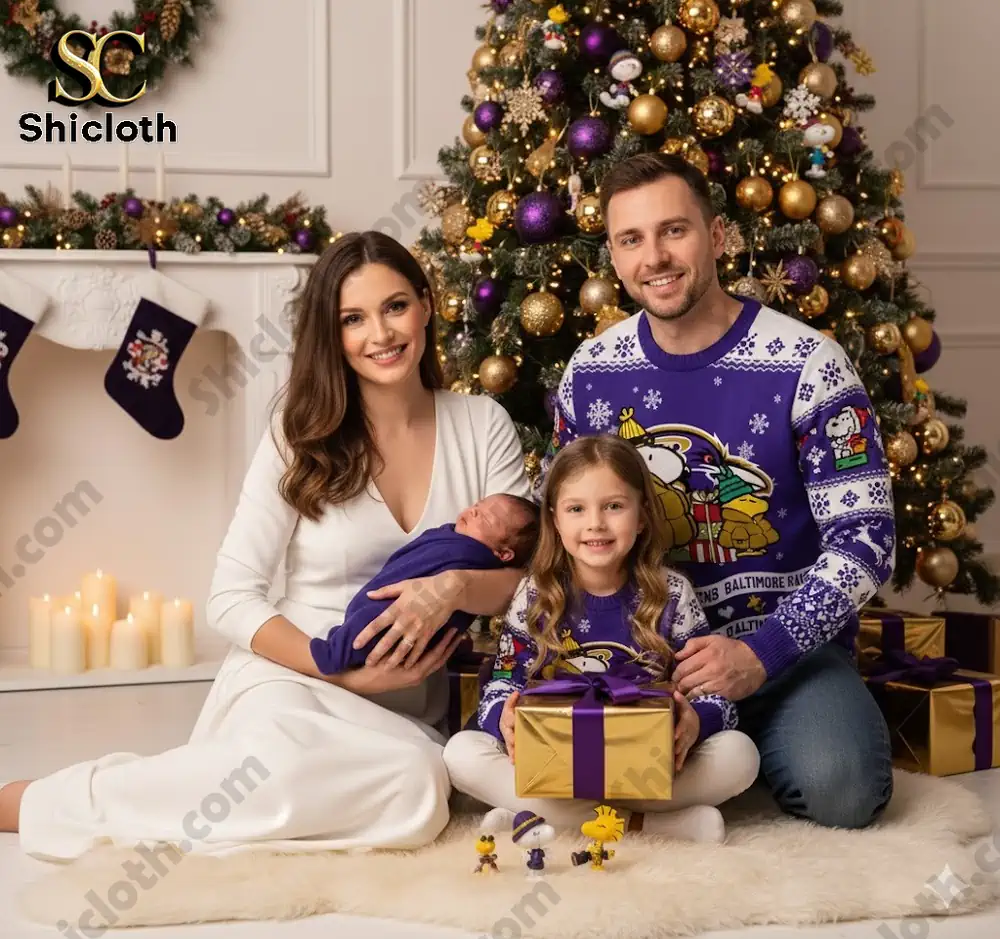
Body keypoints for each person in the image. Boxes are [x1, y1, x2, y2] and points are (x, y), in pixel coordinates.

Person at [0, 231, 532, 859]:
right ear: (330, 336)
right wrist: (341, 672)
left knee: (418, 791)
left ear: (425, 304)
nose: (380, 335)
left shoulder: (480, 423)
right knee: (278, 771)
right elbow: (230, 597)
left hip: (408, 707)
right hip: (290, 678)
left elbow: (529, 579)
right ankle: (49, 800)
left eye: (394, 307)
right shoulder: (300, 432)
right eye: (352, 319)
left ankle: (209, 817)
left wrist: (455, 587)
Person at [543, 152, 896, 830]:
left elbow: (865, 539)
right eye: (631, 239)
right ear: (614, 257)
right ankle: (713, 760)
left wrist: (760, 654)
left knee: (842, 789)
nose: (655, 257)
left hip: (786, 651)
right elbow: (561, 528)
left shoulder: (807, 364)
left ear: (718, 235)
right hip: (640, 653)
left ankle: (764, 741)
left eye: (674, 230)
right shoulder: (590, 373)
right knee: (579, 784)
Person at [444, 435, 761, 844]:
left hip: (646, 762)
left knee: (740, 755)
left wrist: (696, 721)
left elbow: (713, 695)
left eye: (614, 506)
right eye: (577, 509)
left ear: (642, 516)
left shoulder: (673, 594)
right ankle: (654, 826)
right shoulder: (535, 595)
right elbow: (503, 681)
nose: (595, 523)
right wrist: (503, 721)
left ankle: (540, 816)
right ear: (555, 521)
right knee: (460, 752)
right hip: (557, 760)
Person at [310, 493, 540, 674]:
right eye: (477, 506)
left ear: (504, 554)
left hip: (394, 615)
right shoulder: (452, 537)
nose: (474, 511)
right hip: (393, 605)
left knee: (369, 625)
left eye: (487, 518)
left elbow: (525, 585)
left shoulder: (473, 557)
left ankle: (332, 654)